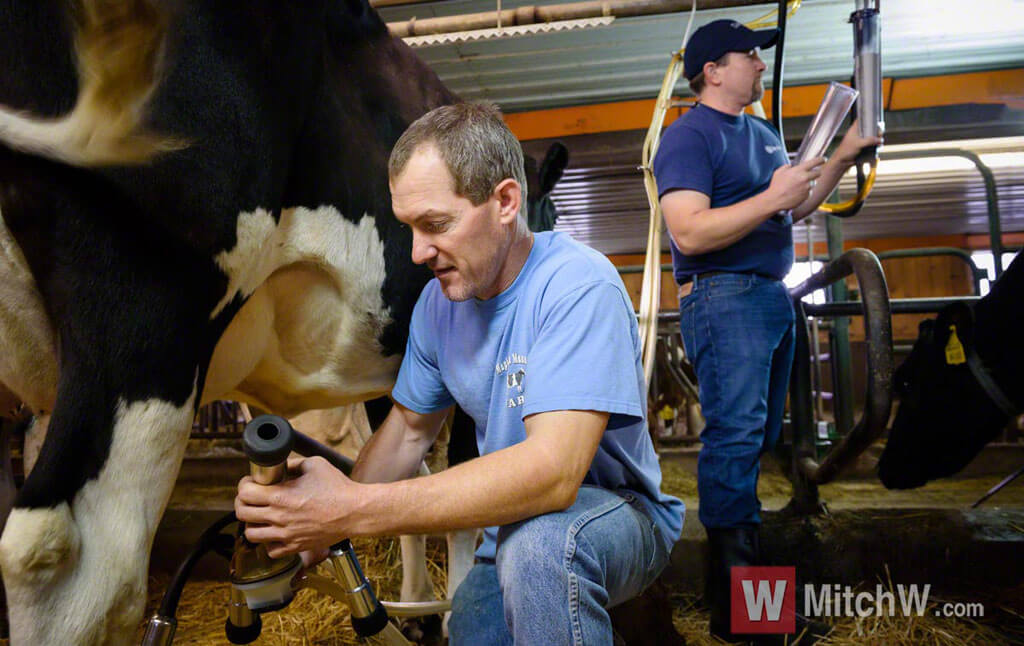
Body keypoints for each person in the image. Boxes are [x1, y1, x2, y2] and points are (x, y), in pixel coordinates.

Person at [236, 102, 685, 645]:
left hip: (617, 516)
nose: (419, 251)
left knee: (545, 547)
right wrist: (310, 529)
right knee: (475, 621)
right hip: (507, 535)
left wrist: (351, 510)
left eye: (436, 225)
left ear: (504, 202)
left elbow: (555, 473)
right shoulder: (437, 306)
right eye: (409, 228)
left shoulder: (577, 284)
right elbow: (407, 433)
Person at [652, 18, 881, 644]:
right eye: (748, 55)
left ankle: (751, 611)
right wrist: (773, 194)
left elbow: (793, 205)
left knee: (755, 444)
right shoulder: (688, 137)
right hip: (722, 295)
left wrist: (839, 157)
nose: (759, 63)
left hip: (767, 296)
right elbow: (690, 231)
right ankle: (748, 623)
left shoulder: (758, 132)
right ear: (712, 71)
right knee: (733, 442)